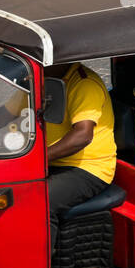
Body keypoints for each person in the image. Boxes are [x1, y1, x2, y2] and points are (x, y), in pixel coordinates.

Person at [42, 61, 117, 251]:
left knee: (42, 202)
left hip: (88, 168)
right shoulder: (40, 79)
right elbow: (5, 113)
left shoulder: (84, 84)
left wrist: (36, 159)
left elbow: (83, 135)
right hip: (52, 160)